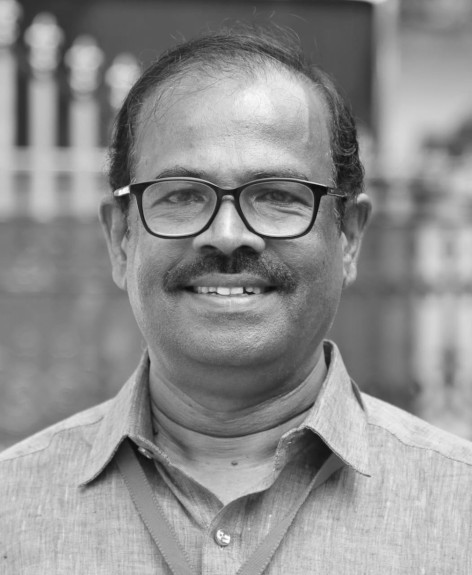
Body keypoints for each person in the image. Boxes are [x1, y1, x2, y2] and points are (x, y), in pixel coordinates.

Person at [1, 27, 471, 575]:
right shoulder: (13, 508)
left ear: (348, 236)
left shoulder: (457, 510)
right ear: (121, 239)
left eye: (276, 195)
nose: (226, 235)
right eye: (182, 194)